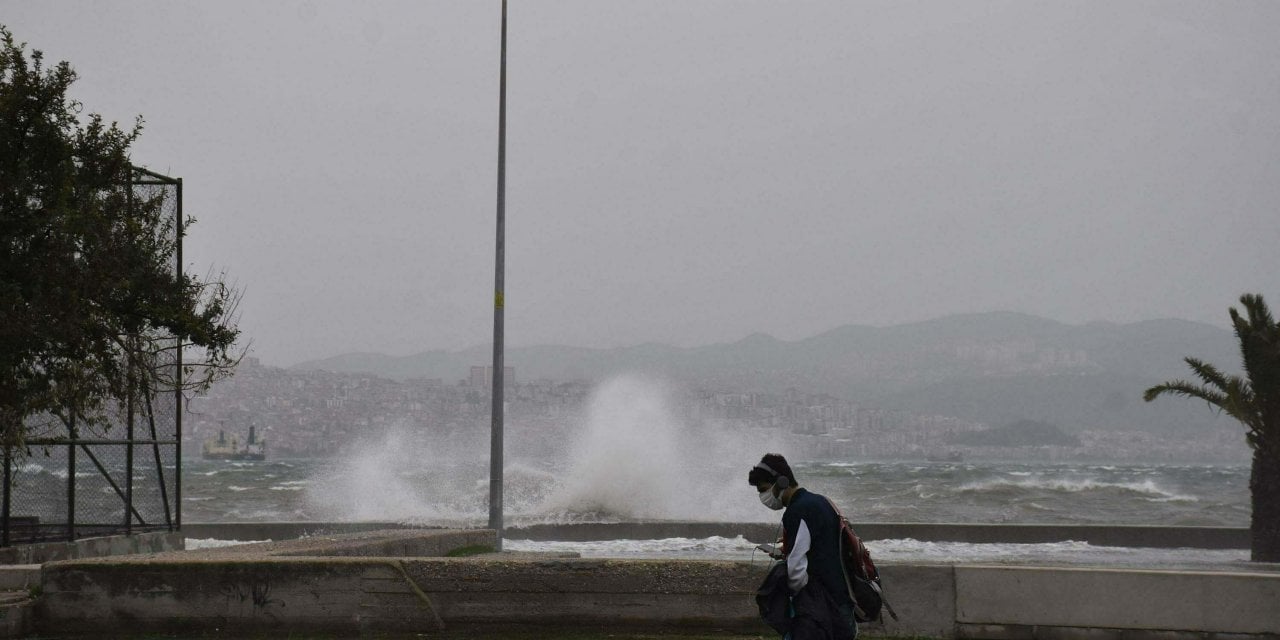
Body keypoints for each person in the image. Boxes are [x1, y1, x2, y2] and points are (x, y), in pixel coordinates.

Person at [750, 453, 856, 640]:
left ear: (782, 482)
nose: (763, 497)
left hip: (823, 609)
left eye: (764, 489)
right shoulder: (820, 501)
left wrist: (793, 599)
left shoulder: (798, 510)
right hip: (841, 601)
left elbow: (797, 569)